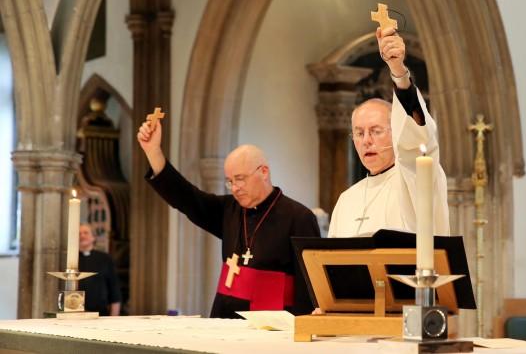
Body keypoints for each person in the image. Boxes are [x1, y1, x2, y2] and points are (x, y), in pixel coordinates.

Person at [137, 121, 321, 319]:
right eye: (230, 181)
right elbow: (187, 198)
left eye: (240, 179)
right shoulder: (229, 210)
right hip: (224, 318)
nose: (234, 188)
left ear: (264, 172)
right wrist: (153, 151)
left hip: (272, 325)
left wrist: (304, 331)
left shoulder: (299, 217)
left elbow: (308, 284)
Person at [328, 25, 450, 238]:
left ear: (398, 133)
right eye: (359, 133)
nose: (366, 140)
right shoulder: (346, 200)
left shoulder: (415, 177)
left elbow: (418, 137)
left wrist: (399, 72)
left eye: (375, 131)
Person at [78, 223, 122, 316]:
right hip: (76, 314)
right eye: (79, 233)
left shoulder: (105, 259)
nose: (82, 236)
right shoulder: (71, 260)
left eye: (86, 233)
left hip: (101, 314)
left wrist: (114, 318)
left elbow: (114, 289)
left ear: (93, 237)